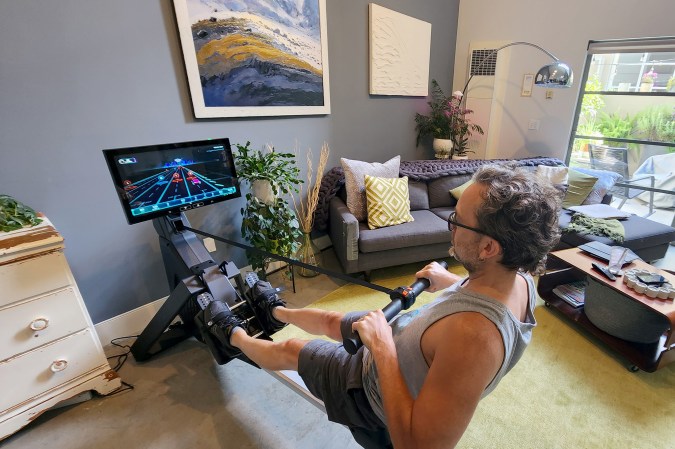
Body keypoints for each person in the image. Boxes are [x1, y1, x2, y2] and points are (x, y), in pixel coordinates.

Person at [204, 164, 562, 449]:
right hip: (402, 336)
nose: (449, 225)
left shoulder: (475, 337)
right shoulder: (520, 280)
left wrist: (382, 347)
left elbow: (418, 445)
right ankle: (276, 312)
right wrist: (449, 282)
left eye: (457, 219)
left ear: (488, 249)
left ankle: (231, 334)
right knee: (331, 319)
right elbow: (487, 300)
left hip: (369, 390)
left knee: (293, 347)